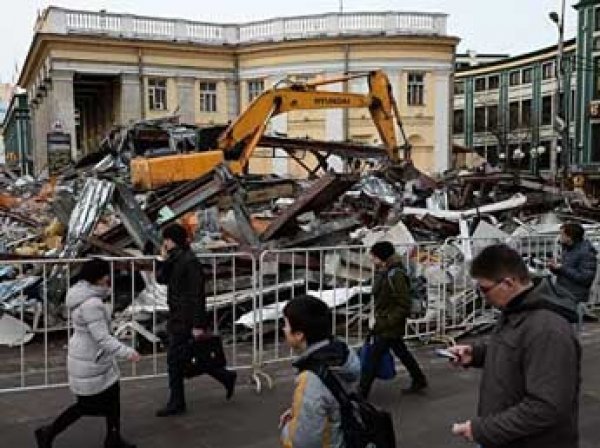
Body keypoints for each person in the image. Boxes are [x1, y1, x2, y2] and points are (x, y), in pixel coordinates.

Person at [450, 244, 580, 448]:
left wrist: (484, 430)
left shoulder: (547, 330)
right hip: (509, 437)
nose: (482, 297)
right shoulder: (517, 309)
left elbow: (546, 407)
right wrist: (476, 354)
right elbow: (516, 351)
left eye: (484, 289)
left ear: (508, 283)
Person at [35, 259, 141, 448]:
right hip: (92, 358)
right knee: (87, 406)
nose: (109, 278)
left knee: (112, 398)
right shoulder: (92, 303)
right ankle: (48, 431)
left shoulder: (82, 294)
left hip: (91, 356)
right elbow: (102, 337)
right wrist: (127, 352)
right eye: (106, 274)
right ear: (99, 278)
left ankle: (113, 438)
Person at [155, 223, 236, 417]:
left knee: (176, 359)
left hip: (186, 318)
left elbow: (197, 295)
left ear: (171, 240)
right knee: (186, 357)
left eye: (166, 239)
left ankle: (177, 402)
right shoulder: (175, 258)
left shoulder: (189, 261)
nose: (164, 243)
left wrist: (198, 324)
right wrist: (162, 260)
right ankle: (225, 376)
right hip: (177, 315)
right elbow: (161, 279)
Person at [279, 296, 360, 448]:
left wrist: (287, 428)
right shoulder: (340, 352)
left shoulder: (311, 378)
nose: (283, 329)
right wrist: (298, 411)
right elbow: (329, 403)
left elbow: (303, 441)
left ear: (299, 334)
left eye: (286, 325)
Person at [359, 241, 427, 398]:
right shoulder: (385, 272)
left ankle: (362, 392)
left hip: (388, 324)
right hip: (385, 322)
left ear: (381, 257)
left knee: (373, 358)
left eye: (374, 257)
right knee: (401, 351)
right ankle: (419, 378)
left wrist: (386, 322)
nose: (372, 260)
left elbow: (404, 304)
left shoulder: (395, 274)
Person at [548, 222, 597, 317]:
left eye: (562, 234)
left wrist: (562, 268)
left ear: (570, 237)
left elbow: (585, 278)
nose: (560, 237)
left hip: (574, 293)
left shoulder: (586, 253)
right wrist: (554, 268)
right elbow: (565, 271)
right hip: (563, 289)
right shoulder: (568, 249)